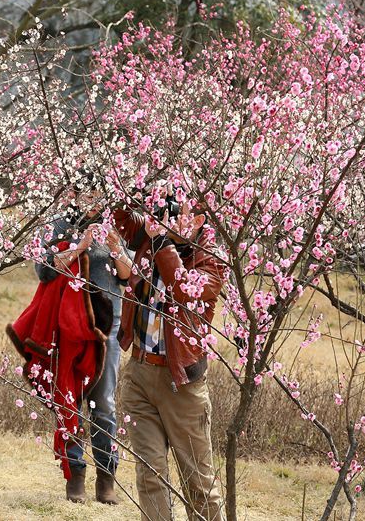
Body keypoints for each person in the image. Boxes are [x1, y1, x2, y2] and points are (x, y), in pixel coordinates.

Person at [113, 190, 225, 520]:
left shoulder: (211, 262)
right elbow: (120, 216)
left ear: (200, 221)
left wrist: (160, 240)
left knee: (198, 484)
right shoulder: (150, 240)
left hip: (182, 386)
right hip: (140, 374)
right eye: (168, 209)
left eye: (179, 212)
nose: (169, 216)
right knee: (150, 475)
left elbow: (181, 286)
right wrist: (134, 190)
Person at [35, 183, 132, 505]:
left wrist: (115, 246)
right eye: (87, 193)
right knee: (69, 398)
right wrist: (81, 246)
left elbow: (130, 276)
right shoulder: (60, 223)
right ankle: (75, 474)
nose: (93, 201)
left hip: (108, 326)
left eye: (98, 194)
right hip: (67, 326)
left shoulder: (118, 224)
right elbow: (43, 269)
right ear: (75, 194)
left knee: (104, 403)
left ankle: (107, 478)